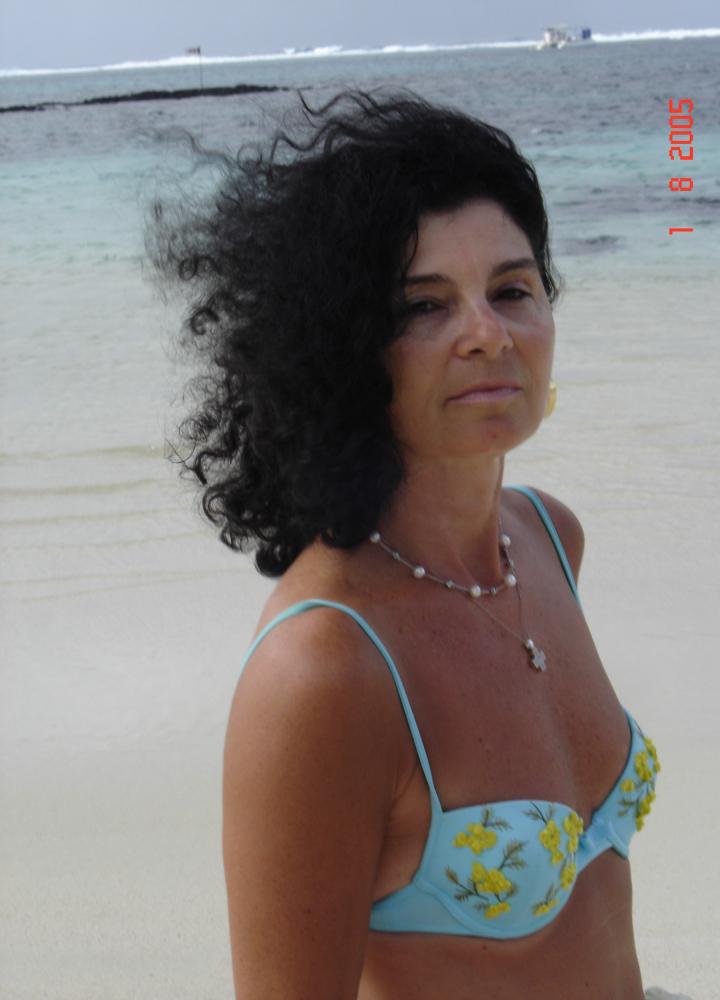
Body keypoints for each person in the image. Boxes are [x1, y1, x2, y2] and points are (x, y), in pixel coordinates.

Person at [151, 89, 676, 999]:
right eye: (424, 306)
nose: (488, 335)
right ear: (344, 351)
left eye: (512, 290)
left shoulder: (549, 539)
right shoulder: (324, 669)